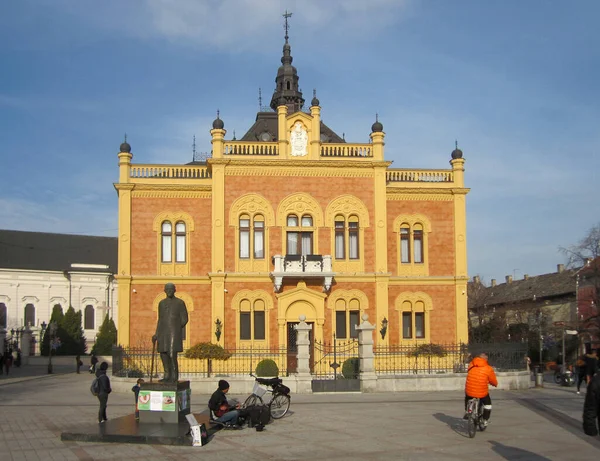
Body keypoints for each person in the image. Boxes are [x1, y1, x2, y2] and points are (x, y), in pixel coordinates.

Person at [152, 283, 189, 383]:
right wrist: (156, 333)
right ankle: (167, 375)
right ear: (164, 290)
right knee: (163, 354)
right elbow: (160, 319)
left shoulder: (180, 303)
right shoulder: (161, 303)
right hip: (163, 332)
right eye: (167, 289)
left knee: (172, 354)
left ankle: (174, 376)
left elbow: (185, 318)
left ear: (174, 290)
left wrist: (176, 327)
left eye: (171, 289)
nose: (169, 291)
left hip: (174, 332)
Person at [464, 352, 498, 426]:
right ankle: (485, 419)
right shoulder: (488, 368)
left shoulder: (471, 365)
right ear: (485, 359)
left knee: (468, 395)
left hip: (470, 389)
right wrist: (495, 384)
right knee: (488, 404)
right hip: (481, 392)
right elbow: (493, 380)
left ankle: (467, 411)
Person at [583, 371, 600, 437]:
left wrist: (590, 428)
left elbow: (590, 407)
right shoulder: (596, 381)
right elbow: (590, 407)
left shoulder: (596, 380)